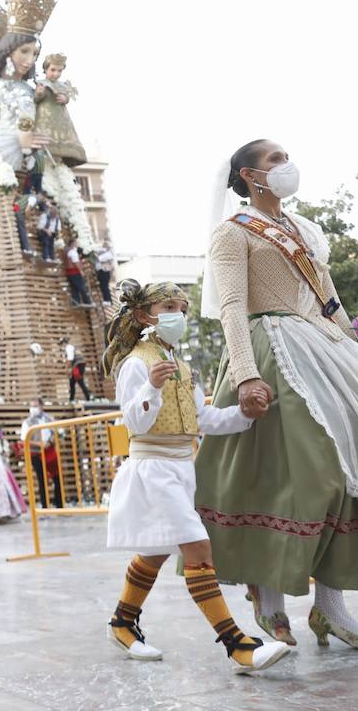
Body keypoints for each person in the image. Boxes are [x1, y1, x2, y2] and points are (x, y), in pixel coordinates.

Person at [195, 139, 358, 654]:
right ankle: (269, 604)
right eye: (275, 160)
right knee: (287, 478)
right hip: (272, 355)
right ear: (250, 176)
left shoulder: (308, 231)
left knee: (349, 476)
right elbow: (230, 305)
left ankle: (331, 609)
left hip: (326, 352)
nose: (287, 165)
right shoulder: (232, 233)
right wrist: (247, 376)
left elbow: (331, 302)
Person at [101, 279, 290, 673]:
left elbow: (204, 420)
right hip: (153, 470)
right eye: (169, 307)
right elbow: (135, 421)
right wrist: (150, 387)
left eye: (182, 309)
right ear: (143, 316)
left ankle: (122, 622)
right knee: (199, 550)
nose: (178, 316)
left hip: (181, 469)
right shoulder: (136, 364)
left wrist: (245, 415)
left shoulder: (183, 369)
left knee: (153, 552)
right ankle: (237, 646)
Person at [32, 52, 87, 166]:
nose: (56, 74)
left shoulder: (63, 85)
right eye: (53, 70)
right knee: (45, 145)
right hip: (45, 117)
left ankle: (60, 162)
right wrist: (39, 94)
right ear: (46, 69)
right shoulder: (41, 83)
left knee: (62, 144)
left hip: (61, 118)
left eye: (59, 71)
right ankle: (46, 163)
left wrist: (65, 99)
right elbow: (35, 101)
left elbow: (68, 97)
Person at [21, 405, 62, 508]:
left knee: (57, 477)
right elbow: (24, 439)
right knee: (41, 479)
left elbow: (57, 432)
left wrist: (49, 442)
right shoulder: (27, 422)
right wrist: (39, 444)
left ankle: (59, 504)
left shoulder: (48, 419)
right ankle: (45, 505)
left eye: (35, 405)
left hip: (49, 450)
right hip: (36, 453)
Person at [63, 240, 94, 307]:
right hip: (75, 272)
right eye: (77, 243)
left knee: (74, 288)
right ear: (73, 243)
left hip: (69, 273)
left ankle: (76, 302)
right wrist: (81, 271)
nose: (78, 244)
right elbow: (75, 262)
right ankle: (87, 302)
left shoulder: (67, 251)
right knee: (81, 287)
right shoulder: (73, 252)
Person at [95, 239, 116, 306]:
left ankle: (108, 300)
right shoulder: (106, 252)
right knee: (103, 286)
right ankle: (107, 300)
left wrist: (95, 254)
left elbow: (99, 258)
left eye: (105, 245)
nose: (103, 246)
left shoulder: (109, 254)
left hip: (104, 271)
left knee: (104, 286)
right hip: (102, 271)